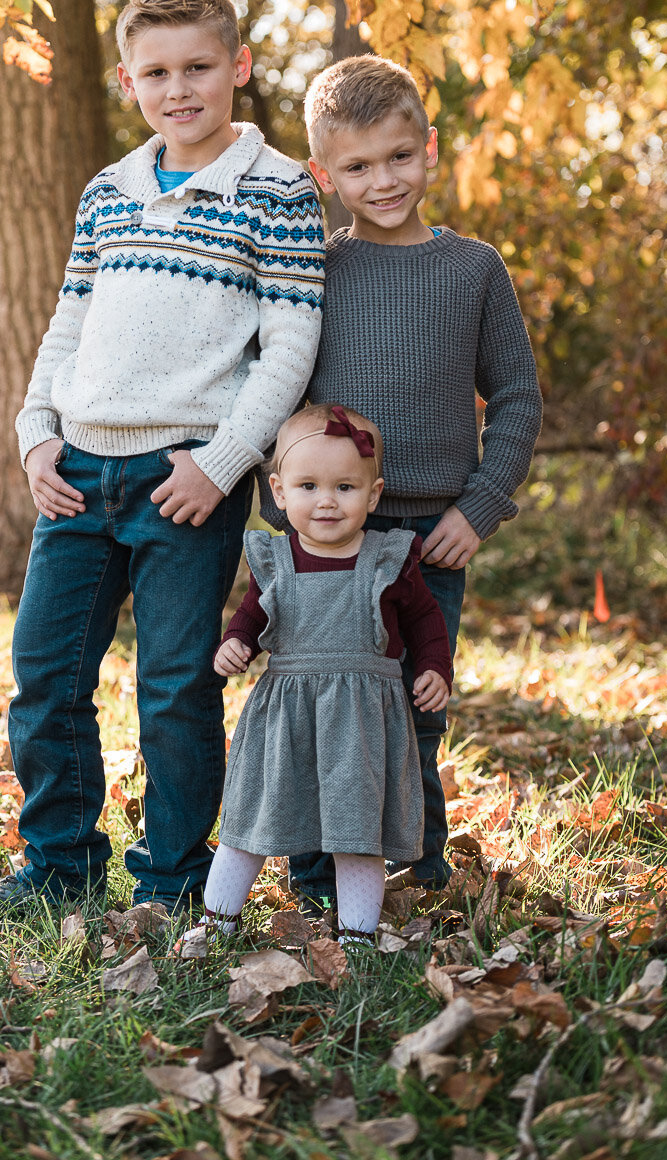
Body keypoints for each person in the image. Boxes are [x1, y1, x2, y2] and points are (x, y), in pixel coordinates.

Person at [0, 0, 324, 916]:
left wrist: (224, 461)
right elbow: (67, 326)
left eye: (199, 67)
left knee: (173, 691)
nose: (179, 89)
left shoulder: (279, 189)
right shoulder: (109, 191)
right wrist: (34, 437)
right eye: (156, 72)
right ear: (129, 81)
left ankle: (170, 879)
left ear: (237, 69)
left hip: (186, 477)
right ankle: (59, 863)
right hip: (78, 475)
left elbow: (290, 346)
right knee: (45, 680)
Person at [274, 54, 543, 905]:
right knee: (322, 705)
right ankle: (315, 873)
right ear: (324, 175)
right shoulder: (315, 270)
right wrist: (284, 516)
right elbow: (280, 398)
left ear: (429, 149)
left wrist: (480, 505)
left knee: (411, 708)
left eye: (398, 157)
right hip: (328, 534)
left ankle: (416, 866)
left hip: (431, 537)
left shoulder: (473, 270)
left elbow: (518, 397)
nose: (381, 180)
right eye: (355, 167)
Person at [180, 404, 452, 947]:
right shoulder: (277, 560)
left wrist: (434, 667)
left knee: (357, 831)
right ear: (279, 493)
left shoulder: (388, 560)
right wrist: (236, 644)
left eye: (345, 487)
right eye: (308, 485)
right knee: (251, 820)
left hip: (361, 721)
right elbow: (253, 615)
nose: (326, 500)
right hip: (285, 713)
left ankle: (356, 933)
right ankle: (217, 922)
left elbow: (426, 620)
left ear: (373, 496)